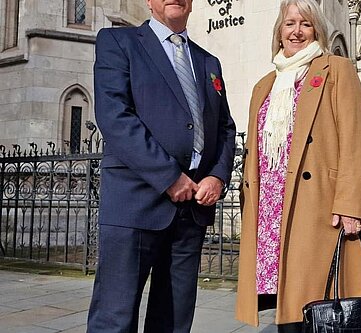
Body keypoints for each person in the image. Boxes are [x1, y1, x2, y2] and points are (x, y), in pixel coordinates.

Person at [87, 0, 236, 332]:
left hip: (191, 210)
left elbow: (225, 128)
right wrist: (169, 176)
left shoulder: (207, 61)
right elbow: (115, 117)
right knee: (115, 315)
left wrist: (217, 175)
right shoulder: (118, 43)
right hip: (135, 203)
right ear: (149, 1)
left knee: (173, 319)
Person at [235, 0, 361, 332]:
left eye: (305, 24)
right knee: (288, 308)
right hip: (271, 206)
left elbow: (355, 139)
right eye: (289, 24)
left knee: (318, 304)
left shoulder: (336, 69)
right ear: (279, 32)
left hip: (316, 203)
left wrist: (351, 205)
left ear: (317, 30)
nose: (296, 31)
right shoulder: (265, 85)